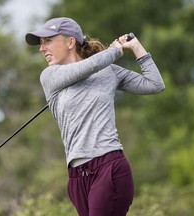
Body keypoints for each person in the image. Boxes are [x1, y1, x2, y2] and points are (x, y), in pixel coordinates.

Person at [25, 17, 165, 216]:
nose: (42, 49)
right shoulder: (49, 76)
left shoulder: (108, 72)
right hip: (76, 177)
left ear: (70, 42)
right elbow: (89, 67)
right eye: (40, 43)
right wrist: (114, 51)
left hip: (109, 167)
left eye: (47, 41)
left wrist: (136, 47)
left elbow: (155, 84)